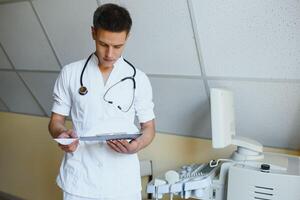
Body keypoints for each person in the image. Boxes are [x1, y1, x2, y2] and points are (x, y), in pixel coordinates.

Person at [48, 3, 155, 200]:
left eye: (118, 46)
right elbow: (55, 122)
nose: (110, 54)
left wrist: (137, 145)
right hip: (80, 181)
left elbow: (149, 127)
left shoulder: (138, 79)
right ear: (93, 33)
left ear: (127, 38)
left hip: (123, 183)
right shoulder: (70, 73)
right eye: (103, 44)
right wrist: (63, 135)